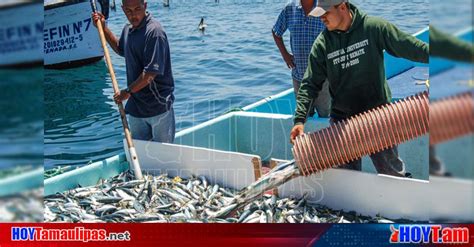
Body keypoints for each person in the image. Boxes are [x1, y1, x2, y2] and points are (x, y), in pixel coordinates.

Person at [290, 0, 429, 177]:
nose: (322, 18)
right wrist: (299, 120)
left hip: (379, 117)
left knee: (393, 174)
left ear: (342, 6)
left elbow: (411, 47)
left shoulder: (374, 28)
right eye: (320, 14)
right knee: (347, 180)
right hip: (343, 123)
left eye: (326, 13)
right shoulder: (322, 44)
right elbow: (309, 84)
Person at [92, 0, 175, 143]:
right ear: (123, 9)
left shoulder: (154, 32)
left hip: (158, 107)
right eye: (129, 11)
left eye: (137, 9)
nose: (133, 15)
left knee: (163, 159)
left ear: (145, 6)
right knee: (141, 155)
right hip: (137, 108)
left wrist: (127, 92)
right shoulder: (128, 29)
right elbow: (120, 48)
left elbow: (150, 74)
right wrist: (104, 28)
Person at [272, 0, 331, 118]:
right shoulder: (290, 8)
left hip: (323, 80)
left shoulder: (324, 7)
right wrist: (285, 56)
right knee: (303, 118)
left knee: (326, 119)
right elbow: (276, 32)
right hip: (299, 79)